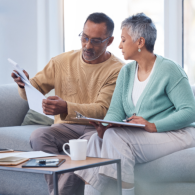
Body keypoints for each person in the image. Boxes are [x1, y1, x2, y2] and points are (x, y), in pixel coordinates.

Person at [75, 13, 195, 195]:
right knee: (95, 139)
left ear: (140, 42)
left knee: (116, 137)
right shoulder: (126, 72)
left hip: (177, 133)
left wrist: (153, 125)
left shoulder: (169, 70)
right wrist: (104, 127)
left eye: (123, 39)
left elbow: (189, 111)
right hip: (144, 135)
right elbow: (115, 110)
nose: (119, 45)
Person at [11, 12, 124, 195]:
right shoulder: (62, 61)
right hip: (65, 128)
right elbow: (35, 88)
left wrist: (67, 107)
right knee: (39, 135)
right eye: (85, 37)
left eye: (95, 41)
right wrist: (24, 84)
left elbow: (102, 110)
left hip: (96, 128)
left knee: (85, 148)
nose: (87, 45)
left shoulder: (118, 70)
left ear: (109, 41)